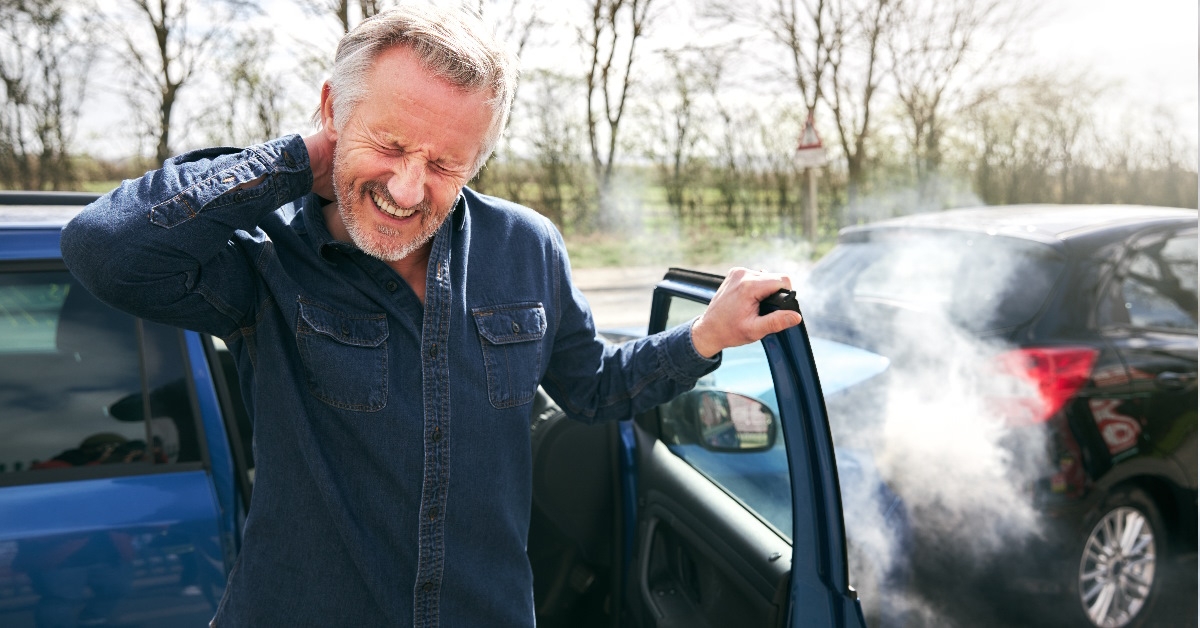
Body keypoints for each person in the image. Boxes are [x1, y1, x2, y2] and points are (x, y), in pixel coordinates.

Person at [60, 4, 801, 626]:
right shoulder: (268, 253)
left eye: (447, 163)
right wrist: (298, 161)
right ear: (329, 109)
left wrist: (707, 335)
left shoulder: (526, 244)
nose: (410, 189)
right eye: (388, 143)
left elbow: (592, 388)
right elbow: (106, 251)